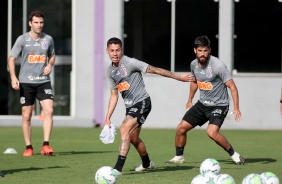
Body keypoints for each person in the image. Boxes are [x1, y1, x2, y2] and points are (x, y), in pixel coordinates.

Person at [104, 37, 195, 175]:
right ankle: (146, 163)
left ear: (121, 50)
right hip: (131, 107)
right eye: (112, 51)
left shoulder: (130, 62)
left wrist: (179, 77)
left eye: (117, 50)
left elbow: (156, 70)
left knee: (124, 128)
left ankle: (117, 168)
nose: (115, 53)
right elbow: (114, 95)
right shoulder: (110, 71)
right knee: (133, 138)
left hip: (143, 102)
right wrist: (107, 118)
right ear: (107, 51)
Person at [167, 35, 245, 165]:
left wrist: (236, 107)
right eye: (200, 50)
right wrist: (190, 99)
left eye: (205, 50)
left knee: (212, 132)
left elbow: (232, 87)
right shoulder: (193, 64)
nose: (202, 54)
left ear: (209, 50)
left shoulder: (218, 66)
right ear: (195, 50)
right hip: (203, 104)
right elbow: (195, 81)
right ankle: (179, 156)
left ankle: (234, 155)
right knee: (180, 129)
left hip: (219, 105)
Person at [7, 11, 55, 156]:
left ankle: (46, 145)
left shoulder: (48, 39)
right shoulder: (22, 39)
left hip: (43, 82)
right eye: (36, 22)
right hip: (26, 82)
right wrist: (13, 77)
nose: (39, 25)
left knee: (49, 111)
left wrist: (50, 65)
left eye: (41, 22)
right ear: (30, 23)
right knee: (26, 115)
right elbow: (11, 58)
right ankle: (28, 147)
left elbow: (52, 55)